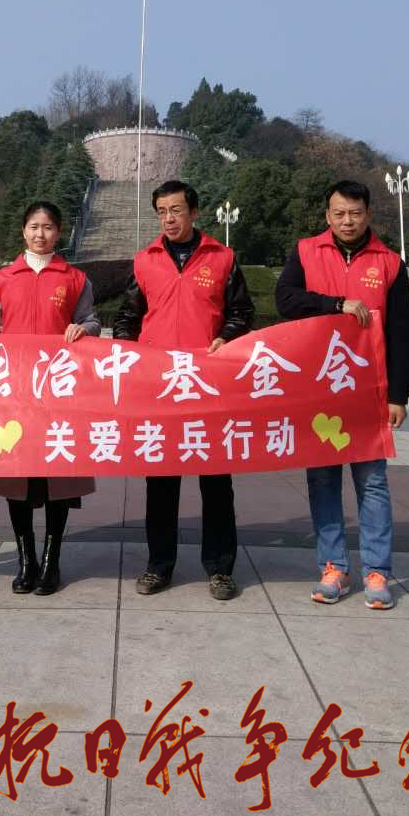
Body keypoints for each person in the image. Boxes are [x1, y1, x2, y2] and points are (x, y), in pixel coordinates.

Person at [275, 179, 409, 610]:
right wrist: (336, 304)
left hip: (368, 393)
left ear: (369, 214)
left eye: (355, 213)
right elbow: (286, 300)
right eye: (339, 213)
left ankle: (377, 571)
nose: (347, 221)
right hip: (319, 392)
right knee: (322, 481)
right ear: (327, 216)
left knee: (372, 482)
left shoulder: (388, 263)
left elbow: (402, 333)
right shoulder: (306, 252)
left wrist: (399, 394)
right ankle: (333, 567)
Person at [113, 180, 255, 601]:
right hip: (160, 388)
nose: (169, 219)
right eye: (162, 211)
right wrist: (127, 352)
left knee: (216, 483)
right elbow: (127, 317)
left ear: (194, 212)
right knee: (160, 483)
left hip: (209, 387)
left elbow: (242, 311)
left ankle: (220, 569)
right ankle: (159, 565)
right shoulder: (145, 261)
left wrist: (227, 336)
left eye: (176, 210)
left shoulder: (222, 257)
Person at [0, 200, 100, 596]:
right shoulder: (4, 278)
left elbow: (91, 320)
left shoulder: (75, 279)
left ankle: (51, 561)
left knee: (58, 479)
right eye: (34, 226)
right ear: (23, 231)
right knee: (15, 476)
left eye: (48, 227)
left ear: (58, 232)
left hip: (59, 392)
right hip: (14, 392)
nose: (40, 233)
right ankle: (25, 559)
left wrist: (84, 330)